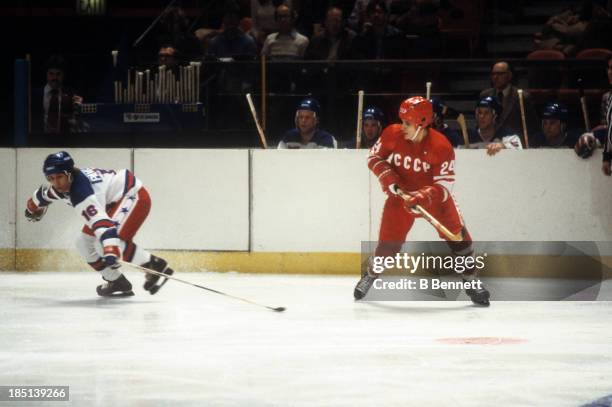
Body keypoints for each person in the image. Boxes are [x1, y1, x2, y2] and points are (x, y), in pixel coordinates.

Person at [354, 96, 490, 306]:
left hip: (434, 201)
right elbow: (373, 158)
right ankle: (371, 274)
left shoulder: (441, 146)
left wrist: (422, 197)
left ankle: (471, 280)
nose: (403, 127)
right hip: (400, 198)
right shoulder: (392, 133)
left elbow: (444, 187)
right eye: (402, 121)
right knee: (387, 247)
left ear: (423, 122)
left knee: (459, 239)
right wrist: (390, 179)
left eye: (408, 123)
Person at [24, 151, 174, 297]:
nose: (56, 183)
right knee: (82, 243)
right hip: (111, 204)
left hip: (132, 195)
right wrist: (33, 206)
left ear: (69, 174)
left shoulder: (81, 193)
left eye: (60, 177)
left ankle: (154, 264)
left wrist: (110, 249)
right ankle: (116, 281)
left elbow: (102, 224)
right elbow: (44, 194)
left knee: (107, 244)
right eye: (51, 178)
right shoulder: (63, 186)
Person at [479, 61, 539, 138]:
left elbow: (532, 126)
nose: (495, 77)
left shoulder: (522, 96)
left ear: (509, 75)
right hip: (490, 143)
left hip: (514, 143)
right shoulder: (485, 95)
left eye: (500, 74)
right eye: (493, 74)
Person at [32, 55, 83, 134]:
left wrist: (78, 108)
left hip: (63, 139)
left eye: (58, 74)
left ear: (63, 75)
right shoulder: (34, 94)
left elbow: (76, 120)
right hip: (40, 139)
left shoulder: (71, 94)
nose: (54, 77)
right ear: (46, 74)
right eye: (51, 74)